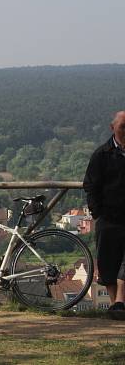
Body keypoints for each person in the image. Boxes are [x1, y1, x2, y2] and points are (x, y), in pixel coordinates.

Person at [83, 111, 125, 315]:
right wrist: (97, 213)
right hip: (108, 216)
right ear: (113, 128)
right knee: (109, 260)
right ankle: (115, 306)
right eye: (123, 127)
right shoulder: (101, 154)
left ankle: (119, 301)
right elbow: (90, 185)